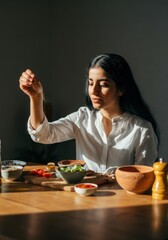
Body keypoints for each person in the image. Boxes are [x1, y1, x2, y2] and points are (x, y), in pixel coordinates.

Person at [19, 53, 159, 174]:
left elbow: (143, 178)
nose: (94, 90)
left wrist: (109, 176)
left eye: (104, 84)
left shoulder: (142, 129)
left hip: (123, 203)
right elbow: (43, 135)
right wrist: (36, 97)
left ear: (121, 89)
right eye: (91, 83)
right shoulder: (82, 118)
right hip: (84, 199)